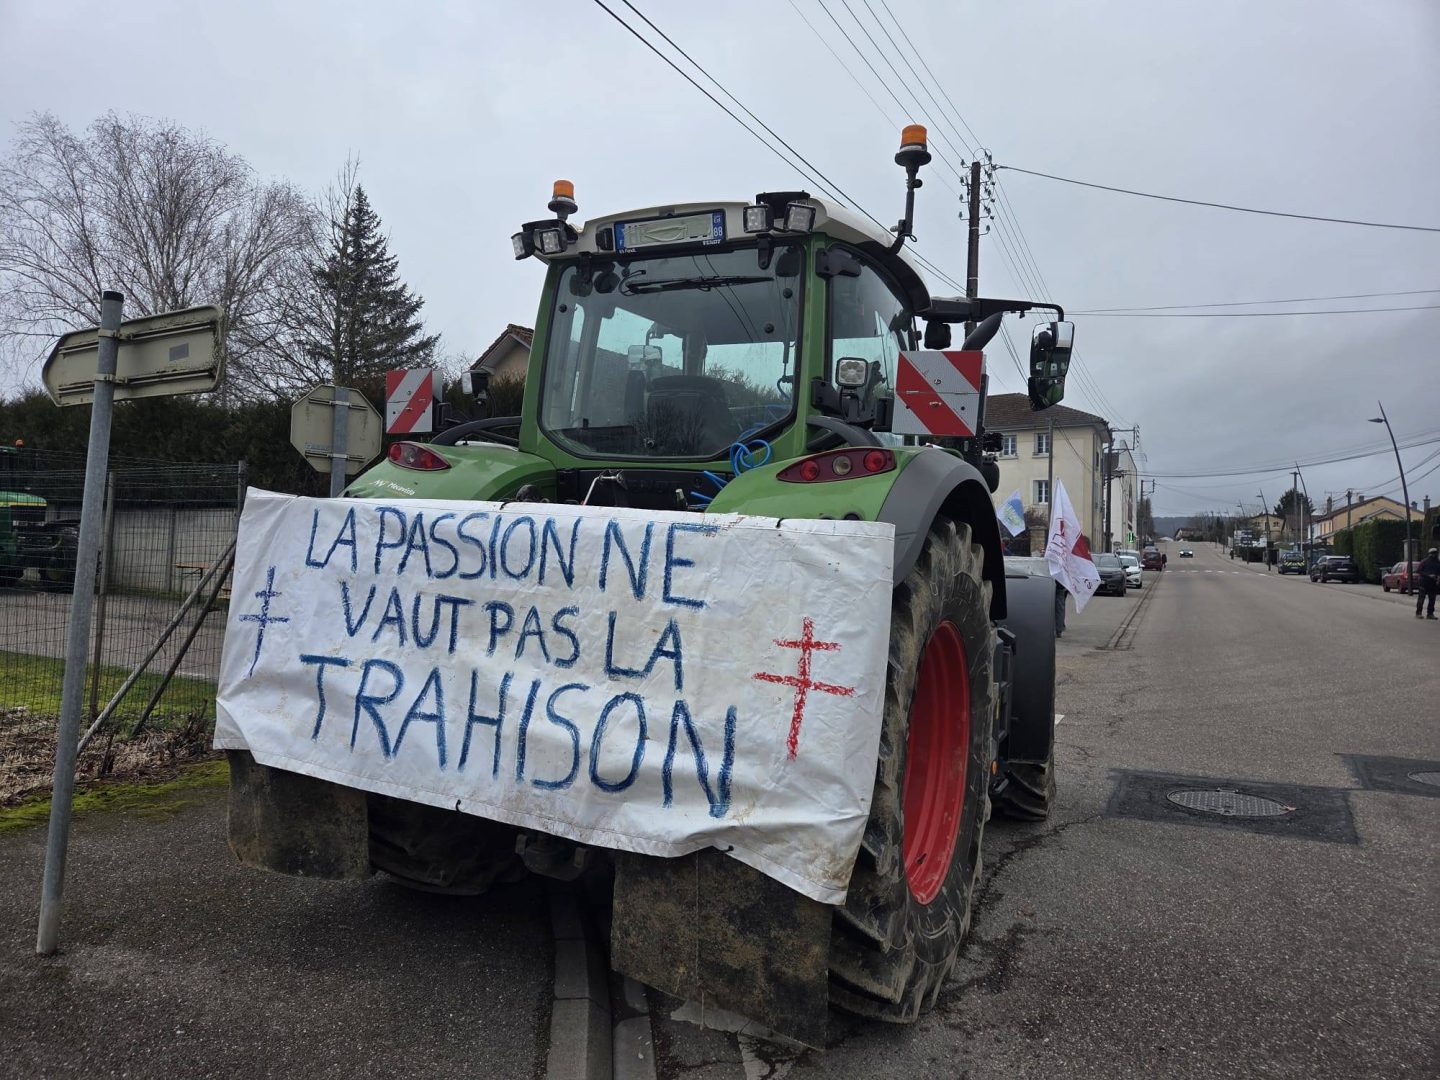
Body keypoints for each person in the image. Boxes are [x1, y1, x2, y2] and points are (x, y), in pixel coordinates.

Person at [1416, 547, 1440, 620]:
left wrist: (1438, 577)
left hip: (1433, 583)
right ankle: (1418, 613)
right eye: (1432, 553)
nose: (1434, 555)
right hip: (1423, 582)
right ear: (1429, 554)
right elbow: (1418, 571)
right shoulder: (1424, 562)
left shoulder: (1438, 562)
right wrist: (1428, 575)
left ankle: (1430, 614)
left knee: (1432, 599)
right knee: (1421, 598)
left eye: (1435, 553)